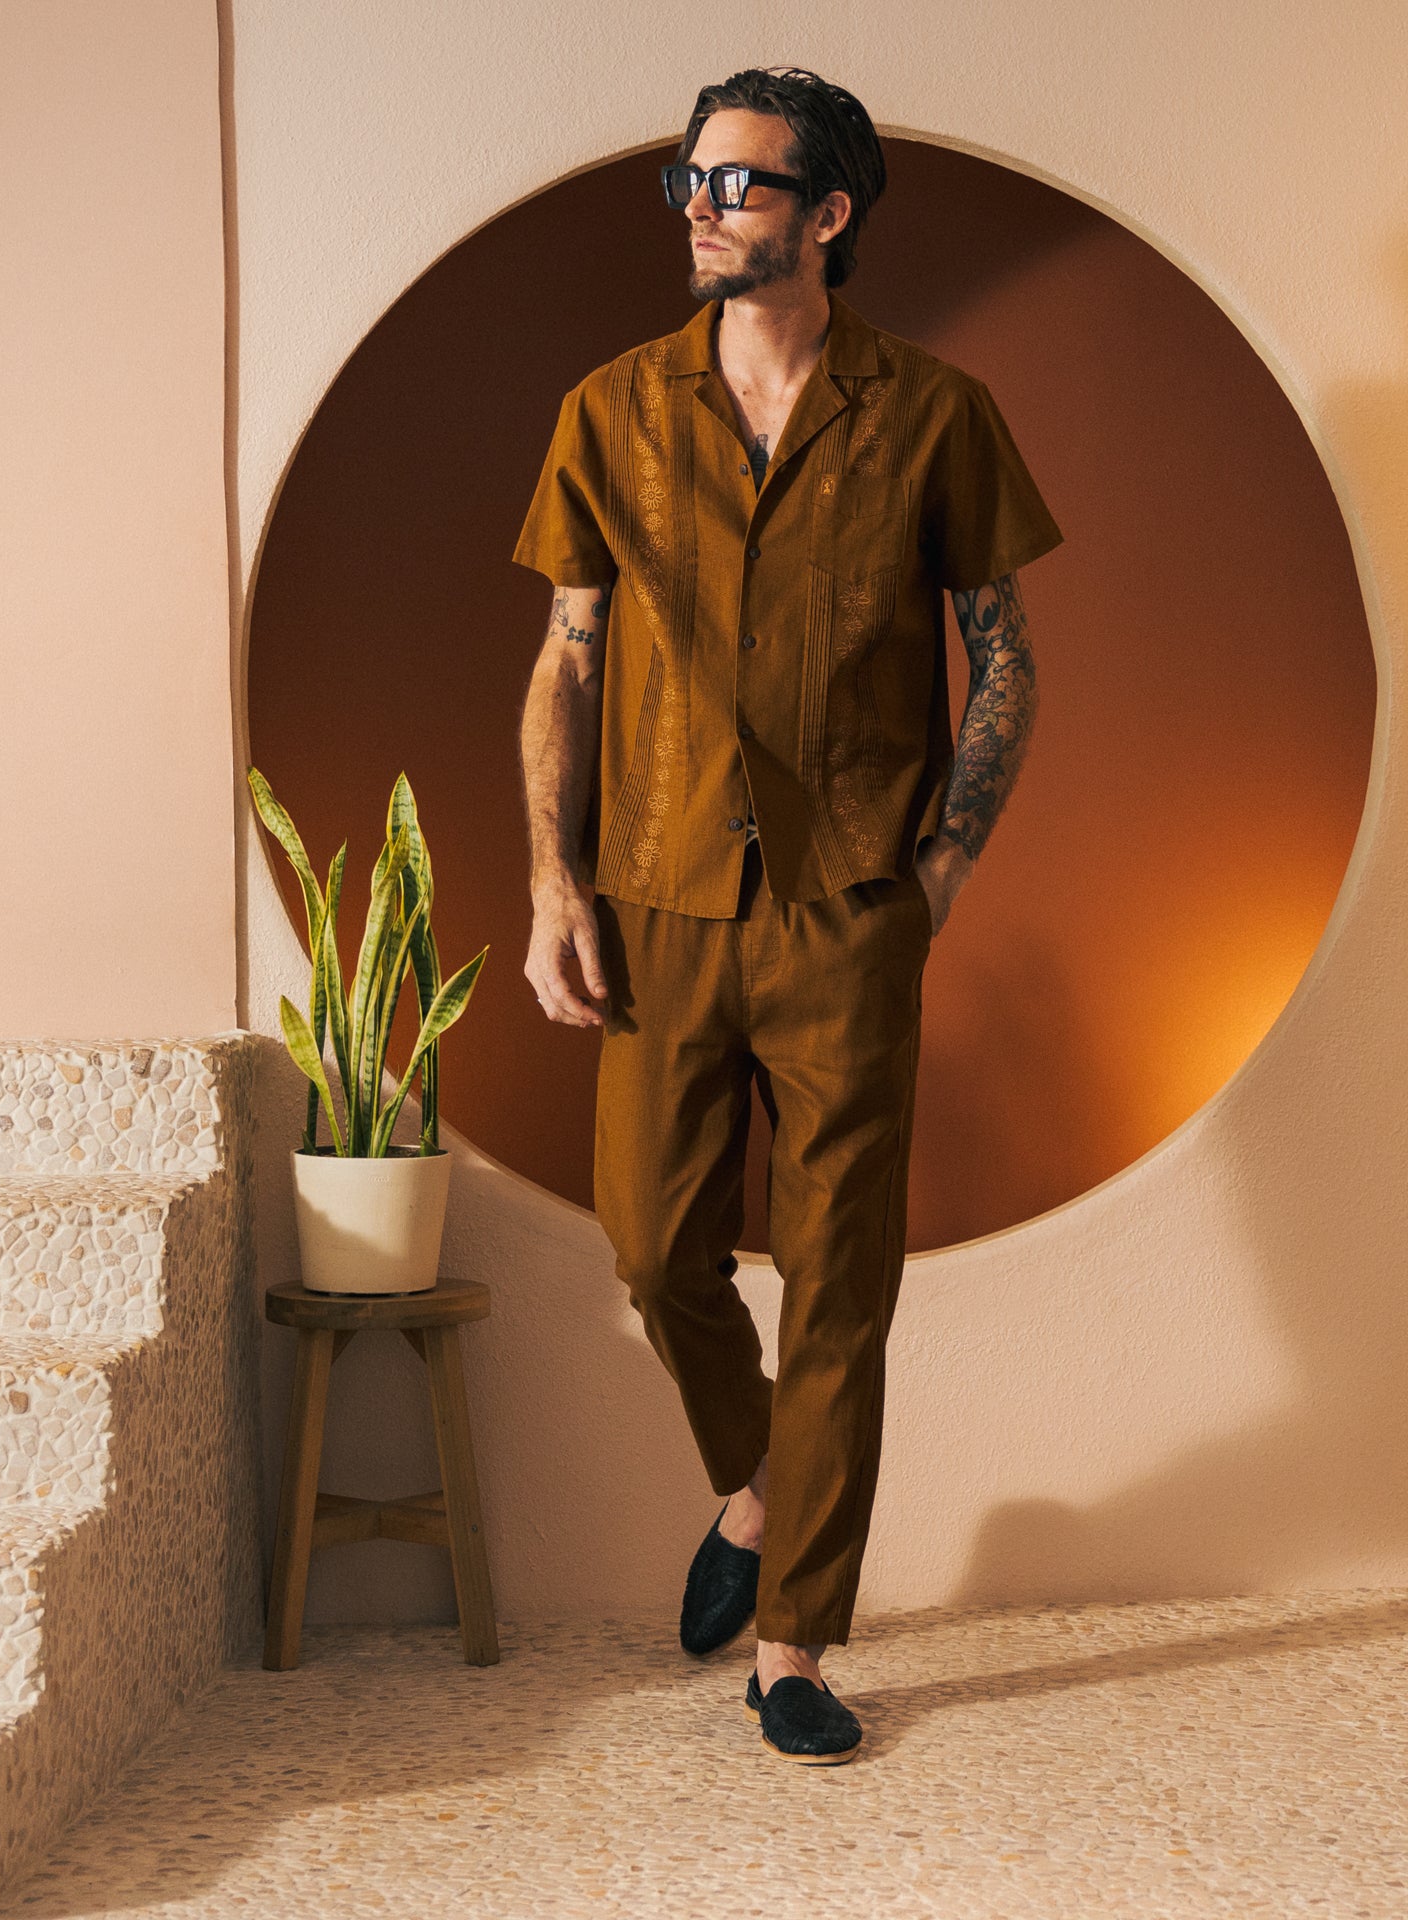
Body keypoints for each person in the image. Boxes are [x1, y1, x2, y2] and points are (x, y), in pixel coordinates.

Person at [514, 66, 1064, 1765]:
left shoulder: (938, 413)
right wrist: (551, 879)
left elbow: (1005, 655)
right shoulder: (610, 409)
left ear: (828, 213)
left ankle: (797, 1645)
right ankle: (756, 1487)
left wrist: (944, 865)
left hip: (849, 909)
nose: (701, 205)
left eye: (739, 182)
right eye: (690, 178)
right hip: (659, 895)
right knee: (651, 1249)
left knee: (839, 1286)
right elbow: (568, 660)